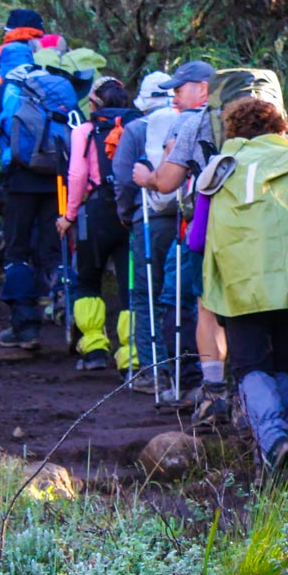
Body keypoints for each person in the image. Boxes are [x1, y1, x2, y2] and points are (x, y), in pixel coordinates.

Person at [194, 98, 288, 470]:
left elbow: (197, 239)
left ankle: (274, 440)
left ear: (233, 131)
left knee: (249, 364)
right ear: (278, 128)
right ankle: (285, 439)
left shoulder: (220, 170)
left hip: (243, 283)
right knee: (285, 361)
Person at [134, 60, 226, 422]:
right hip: (256, 231)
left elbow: (167, 181)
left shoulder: (191, 122)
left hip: (203, 229)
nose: (174, 95)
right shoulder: (256, 121)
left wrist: (146, 178)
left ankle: (206, 389)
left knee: (198, 305)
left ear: (202, 88)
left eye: (180, 87)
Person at [0, 59, 70, 348]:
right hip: (59, 181)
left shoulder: (7, 92)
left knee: (18, 252)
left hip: (21, 180)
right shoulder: (60, 89)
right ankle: (74, 318)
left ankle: (25, 328)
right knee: (54, 251)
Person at [60, 77, 137, 371]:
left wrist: (68, 216)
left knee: (88, 278)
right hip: (129, 214)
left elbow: (77, 177)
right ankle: (131, 357)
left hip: (95, 214)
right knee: (130, 285)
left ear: (94, 103)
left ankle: (93, 349)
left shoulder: (84, 131)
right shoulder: (136, 127)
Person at [114, 71, 177, 391]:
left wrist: (127, 215)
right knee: (180, 296)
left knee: (144, 296)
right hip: (185, 219)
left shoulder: (135, 129)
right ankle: (186, 369)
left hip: (148, 220)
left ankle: (154, 372)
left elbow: (125, 179)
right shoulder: (186, 122)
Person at [0, 8, 48, 94]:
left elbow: (2, 84)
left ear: (9, 31)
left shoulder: (11, 49)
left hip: (8, 100)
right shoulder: (52, 46)